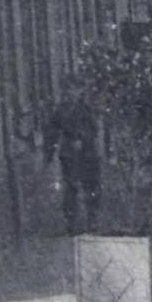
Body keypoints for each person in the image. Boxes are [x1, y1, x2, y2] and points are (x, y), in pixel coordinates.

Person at [44, 77, 101, 235]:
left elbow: (94, 129)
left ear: (80, 91)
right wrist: (49, 155)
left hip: (88, 153)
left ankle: (92, 220)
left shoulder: (87, 109)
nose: (71, 93)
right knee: (71, 188)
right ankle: (71, 223)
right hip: (69, 154)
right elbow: (52, 132)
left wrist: (83, 139)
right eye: (68, 89)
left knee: (91, 187)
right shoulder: (60, 110)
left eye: (75, 89)